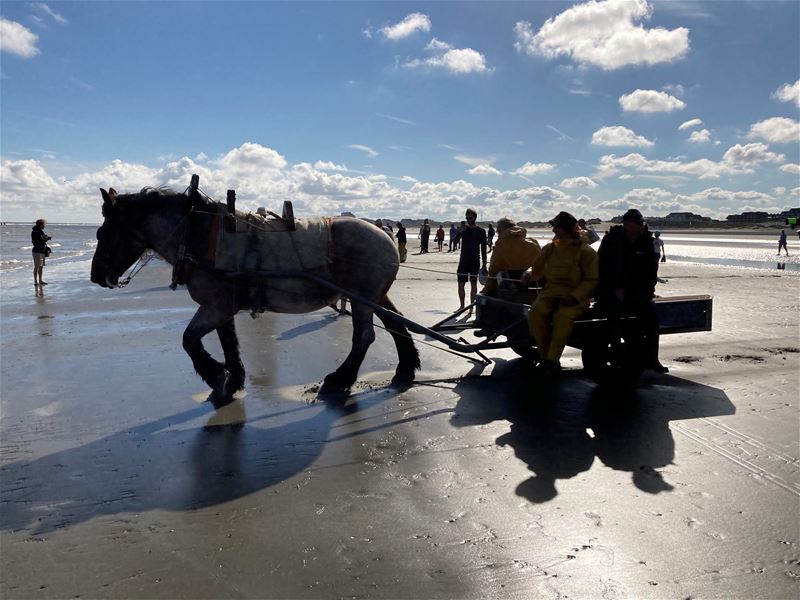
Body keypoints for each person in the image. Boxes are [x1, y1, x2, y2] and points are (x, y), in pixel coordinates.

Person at [597, 208, 668, 373]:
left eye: (637, 223)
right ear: (625, 224)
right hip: (610, 288)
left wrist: (647, 292)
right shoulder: (611, 239)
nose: (633, 226)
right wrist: (615, 287)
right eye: (629, 223)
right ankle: (616, 354)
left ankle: (652, 358)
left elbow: (651, 270)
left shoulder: (646, 241)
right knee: (613, 313)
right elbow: (602, 266)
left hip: (637, 290)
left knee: (651, 315)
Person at [528, 212, 598, 376]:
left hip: (575, 295)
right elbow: (536, 267)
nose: (554, 231)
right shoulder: (550, 248)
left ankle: (551, 360)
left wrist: (574, 296)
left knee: (562, 318)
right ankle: (545, 357)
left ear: (567, 229)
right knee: (535, 313)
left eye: (557, 227)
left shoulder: (585, 252)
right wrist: (528, 274)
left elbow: (591, 279)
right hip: (550, 291)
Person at [481, 217, 541, 296]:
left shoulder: (501, 244)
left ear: (502, 230)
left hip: (512, 290)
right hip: (535, 287)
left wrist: (486, 290)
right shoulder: (533, 241)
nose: (497, 233)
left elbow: (493, 272)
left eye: (498, 231)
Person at [456, 208, 487, 314]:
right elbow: (455, 242)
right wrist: (459, 233)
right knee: (461, 283)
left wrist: (484, 263)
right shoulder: (464, 230)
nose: (468, 219)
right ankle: (462, 306)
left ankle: (471, 307)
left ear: (475, 217)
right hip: (463, 260)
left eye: (470, 217)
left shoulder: (481, 231)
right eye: (467, 217)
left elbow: (483, 248)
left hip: (475, 261)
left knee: (473, 284)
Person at [31, 218, 51, 286]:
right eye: (44, 225)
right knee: (37, 266)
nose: (45, 226)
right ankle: (36, 281)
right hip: (37, 251)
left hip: (41, 250)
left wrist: (46, 238)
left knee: (41, 266)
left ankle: (40, 280)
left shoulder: (40, 231)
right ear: (41, 225)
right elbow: (37, 241)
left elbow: (42, 240)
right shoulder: (35, 232)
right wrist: (45, 238)